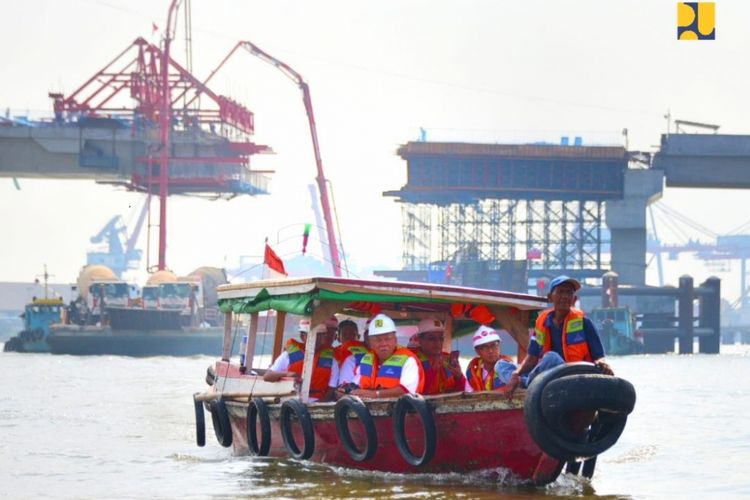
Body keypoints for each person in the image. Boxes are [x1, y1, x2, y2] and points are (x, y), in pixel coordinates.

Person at [503, 275, 613, 392]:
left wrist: (602, 364)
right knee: (501, 365)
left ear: (574, 299)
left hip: (573, 375)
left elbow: (599, 356)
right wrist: (516, 373)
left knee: (551, 357)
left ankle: (527, 383)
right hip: (548, 377)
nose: (565, 297)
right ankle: (525, 381)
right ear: (550, 297)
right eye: (560, 292)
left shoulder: (584, 322)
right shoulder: (542, 323)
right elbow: (532, 357)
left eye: (568, 293)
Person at [338, 313, 424, 399]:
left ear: (395, 340)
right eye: (378, 340)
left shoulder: (408, 359)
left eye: (387, 339)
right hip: (371, 411)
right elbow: (356, 385)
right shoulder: (366, 359)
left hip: (403, 411)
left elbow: (407, 390)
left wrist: (376, 394)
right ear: (370, 342)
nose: (383, 344)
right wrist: (347, 391)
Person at [264, 319, 339, 402]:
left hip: (318, 402)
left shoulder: (331, 361)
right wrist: (287, 374)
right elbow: (267, 376)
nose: (318, 339)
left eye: (321, 335)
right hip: (291, 401)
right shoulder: (288, 355)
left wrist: (318, 404)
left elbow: (332, 388)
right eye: (314, 335)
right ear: (302, 336)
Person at [413, 318, 465, 394]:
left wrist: (459, 378)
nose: (438, 343)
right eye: (432, 339)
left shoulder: (448, 359)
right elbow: (414, 393)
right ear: (419, 340)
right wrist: (433, 371)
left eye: (441, 339)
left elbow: (461, 393)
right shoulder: (412, 361)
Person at [465, 325, 515, 392]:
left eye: (494, 345)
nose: (490, 351)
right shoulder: (473, 372)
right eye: (485, 347)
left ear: (499, 346)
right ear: (477, 351)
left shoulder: (509, 368)